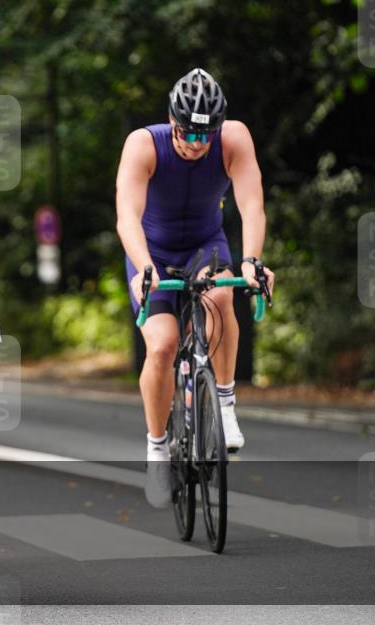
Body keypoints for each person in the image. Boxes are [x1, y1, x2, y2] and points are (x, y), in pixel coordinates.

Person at [115, 68, 275, 507]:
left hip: (206, 245)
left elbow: (252, 204)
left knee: (223, 296)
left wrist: (252, 259)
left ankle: (224, 404)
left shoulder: (234, 138)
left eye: (207, 136)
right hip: (153, 251)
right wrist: (145, 266)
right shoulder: (144, 144)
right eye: (189, 134)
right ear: (172, 121)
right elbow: (127, 215)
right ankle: (156, 448)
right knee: (163, 345)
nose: (197, 144)